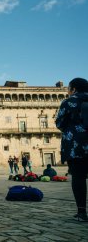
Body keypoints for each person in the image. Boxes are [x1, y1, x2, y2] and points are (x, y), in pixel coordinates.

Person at [56, 77, 88, 222]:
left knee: (79, 177)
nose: (68, 91)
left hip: (77, 145)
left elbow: (60, 123)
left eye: (69, 89)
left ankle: (82, 212)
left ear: (73, 89)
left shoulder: (69, 102)